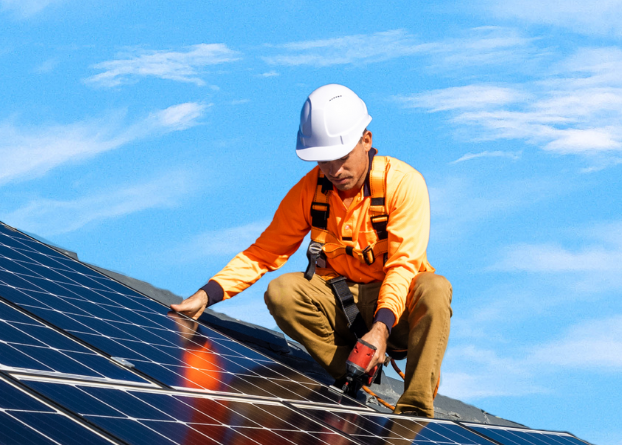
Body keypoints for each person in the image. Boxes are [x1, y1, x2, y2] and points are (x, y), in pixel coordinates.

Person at [170, 84, 451, 417]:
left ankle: (415, 410)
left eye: (342, 158)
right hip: (342, 302)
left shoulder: (403, 184)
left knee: (434, 289)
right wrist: (206, 295)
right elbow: (263, 252)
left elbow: (404, 266)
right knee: (282, 291)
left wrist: (381, 328)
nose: (334, 171)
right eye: (324, 161)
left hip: (397, 312)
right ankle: (354, 375)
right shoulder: (310, 191)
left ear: (366, 140)